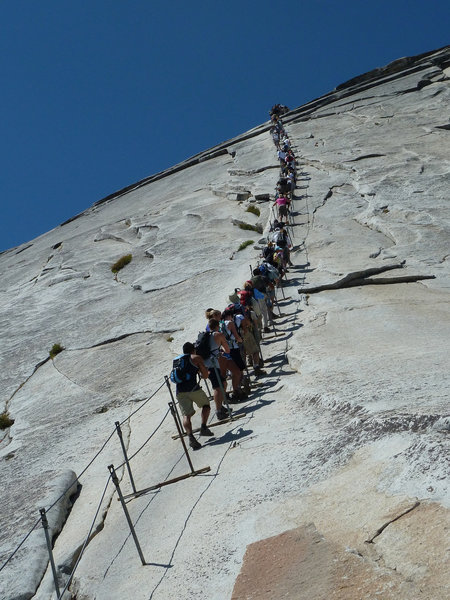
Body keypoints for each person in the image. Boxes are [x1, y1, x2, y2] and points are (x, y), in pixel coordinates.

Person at [175, 342, 213, 450]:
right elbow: (205, 376)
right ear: (193, 350)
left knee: (186, 415)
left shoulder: (177, 360)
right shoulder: (196, 358)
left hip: (180, 391)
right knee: (206, 405)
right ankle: (204, 427)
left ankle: (191, 437)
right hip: (193, 388)